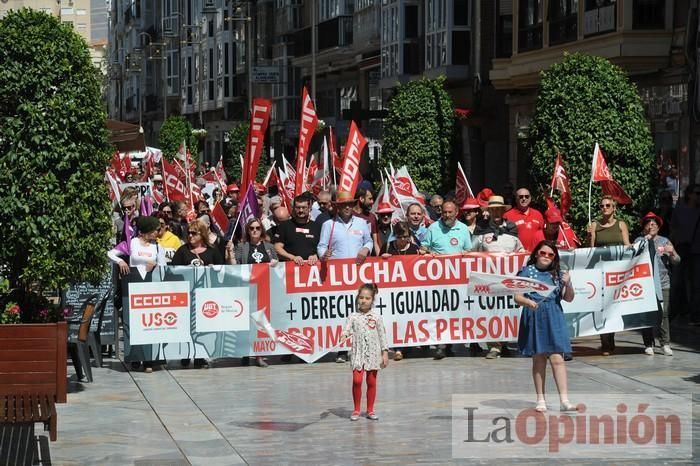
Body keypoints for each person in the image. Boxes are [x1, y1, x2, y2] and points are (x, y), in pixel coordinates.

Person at [514, 240, 577, 413]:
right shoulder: (527, 271)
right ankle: (540, 399)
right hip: (534, 315)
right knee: (539, 358)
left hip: (554, 315)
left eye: (550, 254)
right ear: (536, 254)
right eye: (543, 253)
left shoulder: (558, 273)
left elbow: (569, 298)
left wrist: (568, 283)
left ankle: (564, 400)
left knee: (558, 358)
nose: (546, 257)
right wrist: (528, 302)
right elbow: (517, 297)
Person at [107, 215, 168, 373]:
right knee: (133, 323)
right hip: (133, 285)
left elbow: (164, 266)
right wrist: (121, 262)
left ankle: (149, 360)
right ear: (145, 231)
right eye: (155, 230)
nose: (157, 233)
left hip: (150, 286)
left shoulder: (157, 247)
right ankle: (135, 357)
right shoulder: (131, 243)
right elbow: (111, 253)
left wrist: (155, 264)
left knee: (149, 323)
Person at [318, 190, 373, 363]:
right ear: (337, 207)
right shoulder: (329, 225)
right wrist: (323, 254)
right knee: (342, 312)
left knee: (362, 310)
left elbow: (369, 241)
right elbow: (321, 246)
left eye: (349, 204)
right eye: (343, 205)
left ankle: (363, 347)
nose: (347, 207)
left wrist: (366, 249)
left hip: (358, 273)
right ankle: (342, 349)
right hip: (338, 276)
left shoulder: (362, 222)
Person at [473, 195, 524, 359]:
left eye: (498, 209)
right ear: (489, 211)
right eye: (492, 209)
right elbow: (472, 251)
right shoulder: (481, 229)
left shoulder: (512, 228)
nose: (496, 212)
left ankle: (506, 343)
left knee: (508, 311)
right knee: (491, 312)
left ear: (503, 211)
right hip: (489, 280)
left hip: (509, 279)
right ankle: (494, 346)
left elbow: (520, 250)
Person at [421, 200, 471, 359]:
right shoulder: (433, 228)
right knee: (439, 313)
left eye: (450, 212)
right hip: (437, 280)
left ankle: (450, 343)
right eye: (444, 212)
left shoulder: (463, 229)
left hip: (458, 281)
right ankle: (439, 345)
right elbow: (424, 249)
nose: (447, 215)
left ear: (457, 212)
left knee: (455, 312)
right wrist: (427, 254)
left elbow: (469, 252)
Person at [588, 195, 631, 355]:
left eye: (607, 206)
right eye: (602, 206)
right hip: (600, 271)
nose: (604, 208)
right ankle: (605, 342)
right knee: (601, 307)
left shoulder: (621, 224)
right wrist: (588, 235)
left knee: (613, 307)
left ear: (614, 208)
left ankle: (610, 337)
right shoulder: (595, 225)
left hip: (618, 272)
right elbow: (591, 249)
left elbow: (627, 246)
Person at [341, 283, 389, 421]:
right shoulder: (353, 316)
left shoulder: (376, 317)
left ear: (372, 300)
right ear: (357, 298)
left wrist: (384, 352)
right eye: (361, 297)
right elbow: (347, 330)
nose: (363, 300)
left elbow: (382, 335)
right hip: (357, 354)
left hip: (373, 354)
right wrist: (344, 335)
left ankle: (370, 410)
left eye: (367, 298)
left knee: (371, 382)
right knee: (357, 380)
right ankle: (356, 409)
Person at [234, 218, 277, 367]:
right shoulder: (241, 246)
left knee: (261, 322)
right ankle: (246, 352)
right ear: (248, 230)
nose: (254, 231)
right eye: (251, 228)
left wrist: (275, 264)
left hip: (264, 288)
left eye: (258, 228)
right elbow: (234, 266)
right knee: (246, 322)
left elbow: (276, 264)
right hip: (247, 289)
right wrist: (230, 253)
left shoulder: (269, 247)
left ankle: (259, 355)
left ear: (262, 230)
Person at [636, 212, 680, 356]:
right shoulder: (639, 240)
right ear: (644, 227)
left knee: (664, 314)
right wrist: (643, 243)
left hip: (663, 282)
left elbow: (677, 260)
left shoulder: (665, 241)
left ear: (659, 227)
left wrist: (672, 252)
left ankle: (665, 343)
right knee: (647, 313)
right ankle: (648, 343)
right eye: (648, 223)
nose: (651, 225)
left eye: (654, 223)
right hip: (645, 283)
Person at [274, 195, 321, 265]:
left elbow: (323, 247)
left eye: (304, 207)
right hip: (290, 269)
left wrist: (316, 255)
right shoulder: (285, 226)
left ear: (309, 208)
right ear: (293, 208)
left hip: (312, 269)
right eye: (298, 208)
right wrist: (292, 257)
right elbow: (277, 247)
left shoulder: (317, 226)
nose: (301, 210)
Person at [503, 187, 544, 251]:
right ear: (516, 199)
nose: (524, 199)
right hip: (517, 254)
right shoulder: (507, 215)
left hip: (535, 254)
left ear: (530, 198)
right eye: (521, 197)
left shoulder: (538, 214)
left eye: (527, 196)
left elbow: (543, 234)